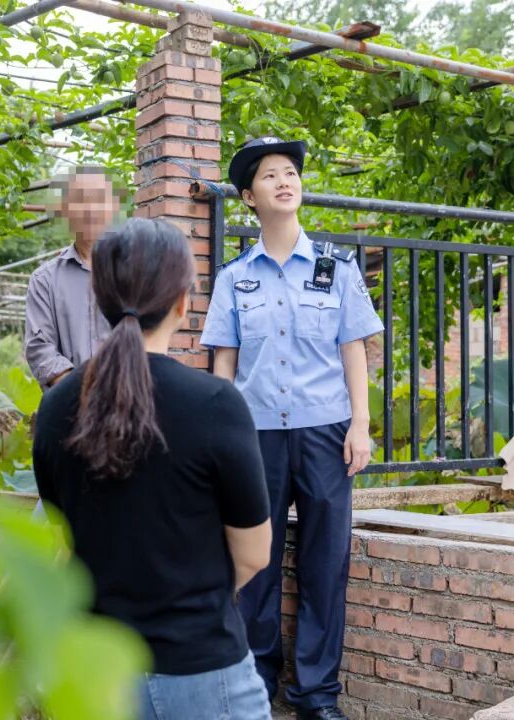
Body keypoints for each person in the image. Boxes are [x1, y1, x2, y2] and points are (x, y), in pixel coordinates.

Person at [32, 218, 274, 720]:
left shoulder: (55, 408)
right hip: (205, 674)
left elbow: (60, 544)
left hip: (98, 681)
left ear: (99, 300)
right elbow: (253, 554)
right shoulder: (216, 404)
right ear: (183, 303)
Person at [200, 138, 384, 720]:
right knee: (254, 562)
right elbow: (224, 364)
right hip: (255, 437)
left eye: (291, 173)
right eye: (270, 176)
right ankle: (257, 685)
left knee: (325, 564)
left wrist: (360, 426)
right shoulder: (234, 278)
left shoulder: (336, 267)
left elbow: (353, 349)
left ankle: (316, 695)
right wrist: (223, 438)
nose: (285, 182)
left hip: (327, 431)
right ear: (248, 197)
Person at [23, 166, 119, 388]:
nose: (90, 209)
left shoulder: (134, 271)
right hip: (69, 403)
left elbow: (148, 339)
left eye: (99, 200)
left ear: (113, 206)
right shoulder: (44, 280)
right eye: (80, 200)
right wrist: (81, 393)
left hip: (128, 402)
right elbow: (40, 349)